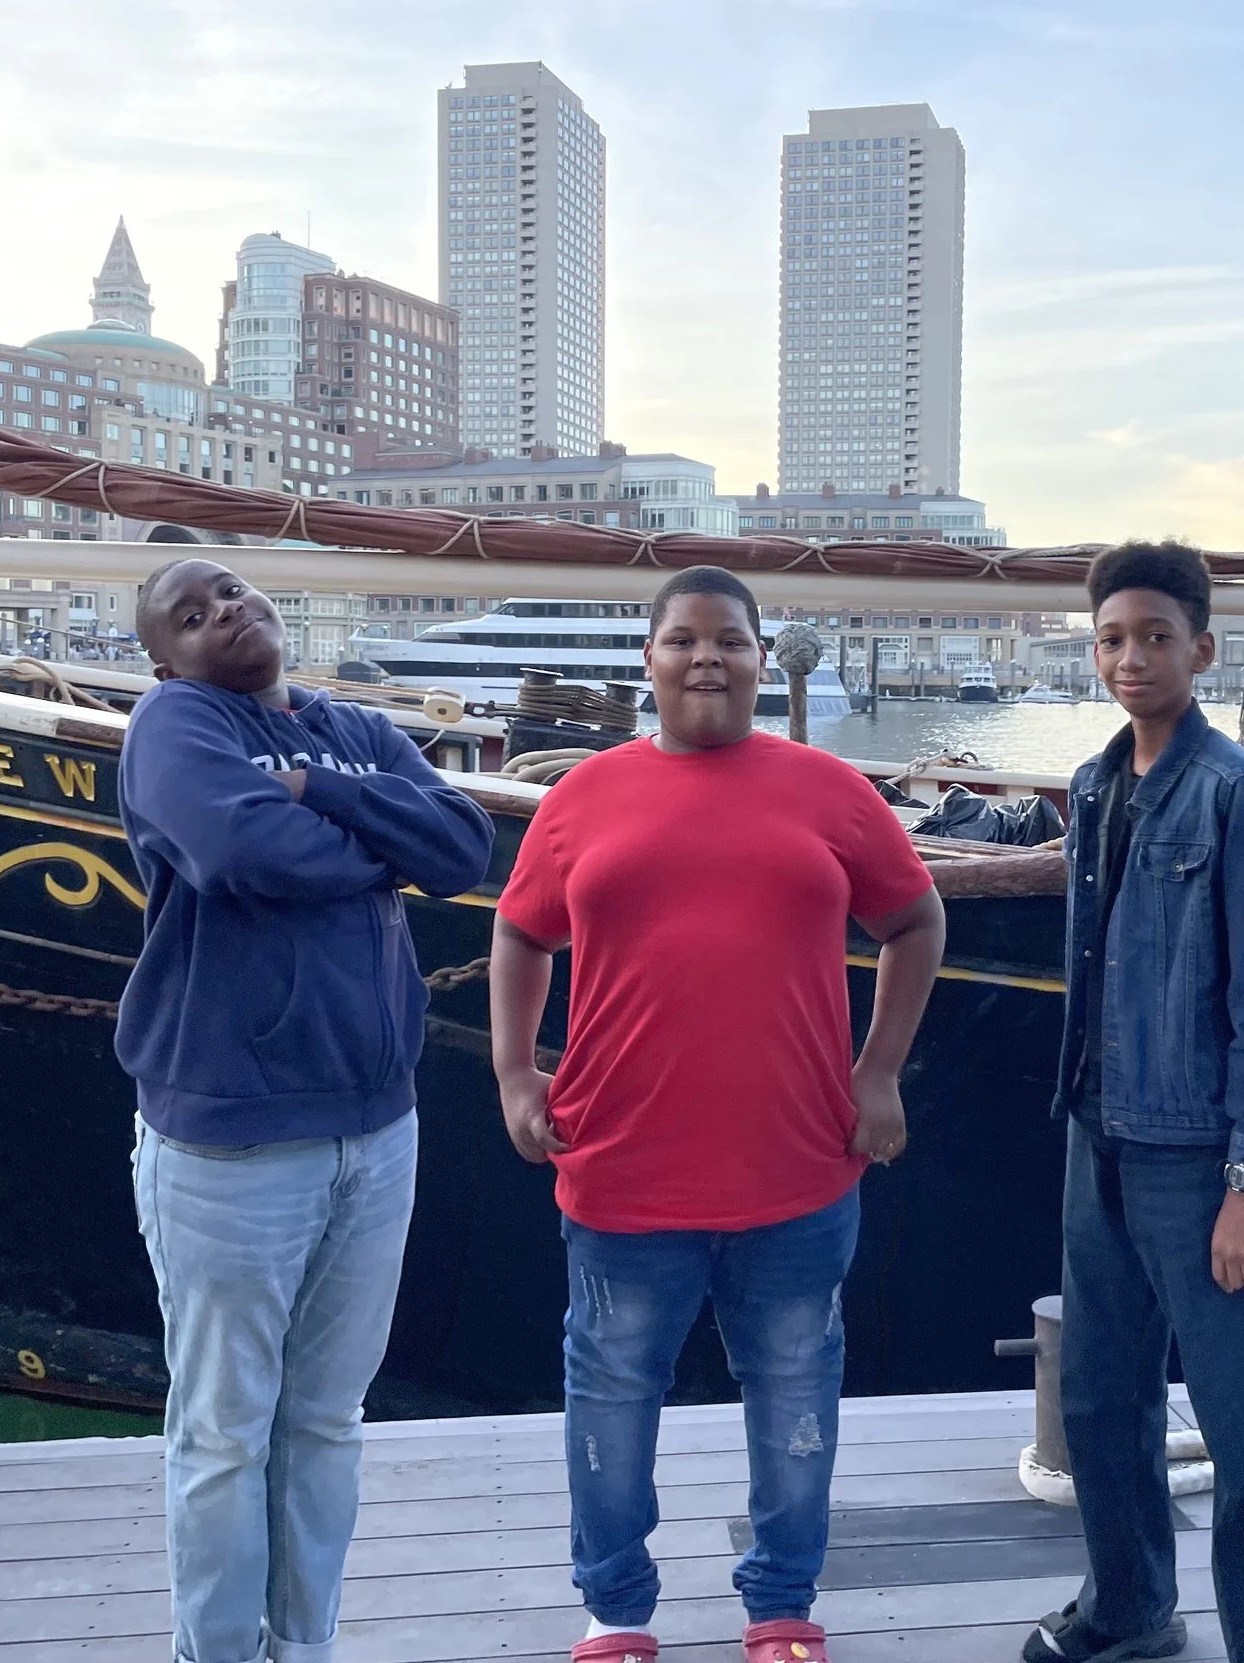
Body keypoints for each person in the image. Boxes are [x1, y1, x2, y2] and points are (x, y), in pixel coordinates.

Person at [488, 564, 947, 1663]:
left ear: (759, 656)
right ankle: (615, 1610)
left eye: (731, 640)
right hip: (621, 1167)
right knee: (610, 1394)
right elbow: (519, 931)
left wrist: (878, 1069)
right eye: (684, 639)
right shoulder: (582, 797)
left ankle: (781, 1603)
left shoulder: (829, 790)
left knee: (794, 1391)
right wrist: (512, 1070)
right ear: (648, 659)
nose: (708, 657)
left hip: (797, 1167)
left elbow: (915, 920)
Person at [117, 558, 496, 1663]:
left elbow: (463, 848)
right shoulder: (176, 726)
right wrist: (381, 843)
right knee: (225, 1432)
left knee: (327, 1420)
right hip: (231, 1144)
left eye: (229, 591)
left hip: (377, 1133)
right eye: (192, 616)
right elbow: (244, 851)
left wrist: (318, 791)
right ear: (167, 661)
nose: (224, 613)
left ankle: (305, 1645)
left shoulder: (355, 731)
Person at [1025, 541, 1244, 1663]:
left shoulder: (1236, 795)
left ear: (1201, 649)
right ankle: (1128, 1610)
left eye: (1156, 636)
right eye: (1111, 638)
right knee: (1102, 1399)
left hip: (1197, 1155)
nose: (1131, 657)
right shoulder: (1093, 784)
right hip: (1097, 1135)